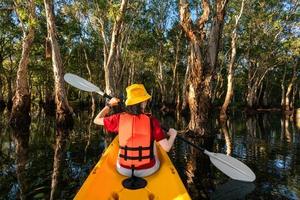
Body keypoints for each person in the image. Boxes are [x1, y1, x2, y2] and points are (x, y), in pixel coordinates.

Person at [93, 84, 177, 177]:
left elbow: (96, 120)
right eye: (145, 100)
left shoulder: (119, 118)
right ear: (143, 102)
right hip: (147, 170)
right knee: (153, 143)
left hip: (123, 169)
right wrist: (173, 135)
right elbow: (167, 148)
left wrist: (109, 105)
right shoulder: (152, 120)